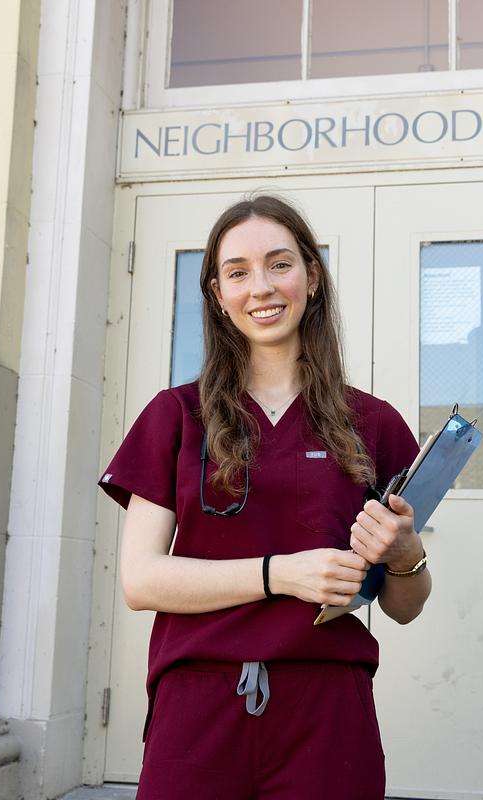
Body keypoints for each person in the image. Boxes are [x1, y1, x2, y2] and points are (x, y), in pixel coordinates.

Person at [99, 194, 431, 799]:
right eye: (237, 272)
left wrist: (405, 553)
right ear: (217, 295)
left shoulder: (374, 424)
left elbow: (404, 606)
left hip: (328, 711)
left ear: (312, 275)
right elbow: (140, 581)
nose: (262, 287)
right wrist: (281, 575)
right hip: (197, 706)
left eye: (280, 264)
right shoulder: (175, 416)